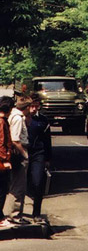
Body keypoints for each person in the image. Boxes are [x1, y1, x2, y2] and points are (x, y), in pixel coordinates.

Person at [2, 97, 31, 226]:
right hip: (17, 154)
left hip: (11, 155)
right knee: (18, 186)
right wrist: (25, 155)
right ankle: (13, 214)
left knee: (13, 185)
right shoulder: (18, 118)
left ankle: (12, 214)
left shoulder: (12, 117)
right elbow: (15, 139)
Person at [26, 94, 52, 219]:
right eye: (32, 106)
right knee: (22, 185)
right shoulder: (21, 118)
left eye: (36, 106)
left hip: (38, 154)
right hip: (23, 153)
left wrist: (47, 158)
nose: (34, 109)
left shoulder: (43, 120)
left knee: (38, 182)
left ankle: (36, 212)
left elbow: (47, 140)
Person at [0, 97, 13, 221]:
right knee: (2, 189)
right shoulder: (2, 121)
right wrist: (5, 160)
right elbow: (2, 142)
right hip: (1, 162)